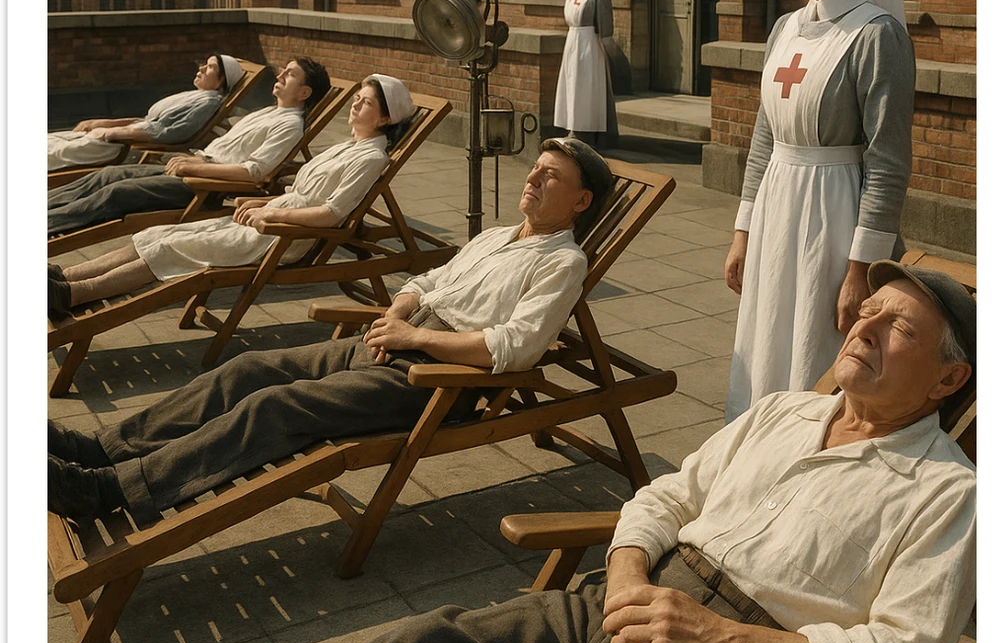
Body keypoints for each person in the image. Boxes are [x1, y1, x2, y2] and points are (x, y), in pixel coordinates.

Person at [69, 262, 977, 643]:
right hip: (621, 600)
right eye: (865, 315)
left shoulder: (946, 494)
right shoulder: (785, 411)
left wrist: (721, 642)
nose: (860, 327)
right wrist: (625, 569)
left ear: (949, 378)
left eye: (896, 325)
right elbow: (667, 494)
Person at [47, 137, 615, 527]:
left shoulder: (562, 263)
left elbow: (516, 348)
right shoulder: (496, 235)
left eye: (551, 176)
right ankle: (103, 448)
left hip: (440, 378)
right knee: (246, 369)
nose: (534, 178)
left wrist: (416, 339)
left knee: (275, 406)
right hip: (396, 340)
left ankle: (111, 491)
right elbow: (427, 276)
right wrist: (400, 312)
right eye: (536, 169)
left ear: (581, 201)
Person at [723, 0, 916, 422]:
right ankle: (757, 443)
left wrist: (862, 267)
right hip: (776, 210)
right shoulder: (785, 28)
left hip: (834, 217)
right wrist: (743, 231)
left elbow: (888, 161)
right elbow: (765, 137)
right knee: (767, 339)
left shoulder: (876, 35)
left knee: (815, 343)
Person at [46, 75, 410, 318]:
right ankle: (65, 276)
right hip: (268, 221)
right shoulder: (348, 146)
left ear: (384, 119)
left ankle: (74, 295)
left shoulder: (371, 157)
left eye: (364, 103)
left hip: (282, 238)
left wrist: (272, 217)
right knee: (158, 234)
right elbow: (298, 193)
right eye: (357, 99)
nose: (355, 106)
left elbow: (331, 214)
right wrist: (261, 203)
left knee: (168, 249)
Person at [47, 56, 331, 242]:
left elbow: (254, 172)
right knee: (106, 175)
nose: (280, 75)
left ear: (304, 92)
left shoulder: (290, 126)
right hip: (194, 167)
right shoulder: (268, 112)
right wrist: (193, 159)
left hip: (204, 185)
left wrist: (196, 166)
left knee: (116, 192)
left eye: (290, 74)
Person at [47, 53, 245, 171]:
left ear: (221, 82)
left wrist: (112, 132)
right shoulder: (196, 95)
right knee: (52, 140)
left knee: (55, 153)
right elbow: (147, 120)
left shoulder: (209, 103)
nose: (201, 68)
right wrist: (104, 123)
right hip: (123, 135)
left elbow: (173, 132)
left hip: (123, 146)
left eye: (210, 67)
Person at [552, 0, 619, 147]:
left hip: (589, 43)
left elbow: (605, 25)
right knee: (571, 84)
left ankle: (588, 130)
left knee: (587, 86)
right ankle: (572, 125)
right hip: (572, 41)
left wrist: (609, 51)